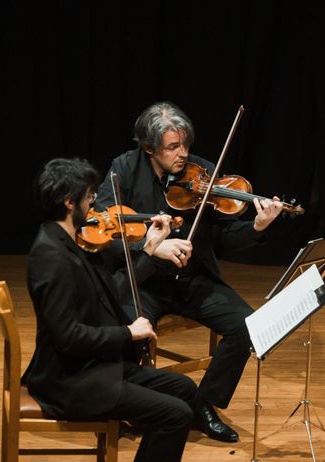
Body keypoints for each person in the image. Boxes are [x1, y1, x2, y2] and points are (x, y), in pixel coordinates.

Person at [96, 102, 286, 443]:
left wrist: (257, 226)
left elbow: (229, 236)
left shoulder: (204, 173)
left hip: (193, 279)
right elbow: (102, 230)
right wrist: (150, 248)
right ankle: (136, 405)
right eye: (172, 148)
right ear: (149, 147)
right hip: (146, 280)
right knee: (123, 325)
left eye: (186, 145)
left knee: (247, 327)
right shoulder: (122, 169)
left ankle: (204, 405)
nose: (183, 154)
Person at [24, 158, 198, 461]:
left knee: (183, 387)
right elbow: (68, 336)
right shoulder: (51, 257)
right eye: (89, 196)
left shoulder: (71, 241)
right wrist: (127, 333)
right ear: (69, 202)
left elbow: (109, 295)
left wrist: (148, 248)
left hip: (92, 367)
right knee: (176, 414)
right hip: (70, 381)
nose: (94, 204)